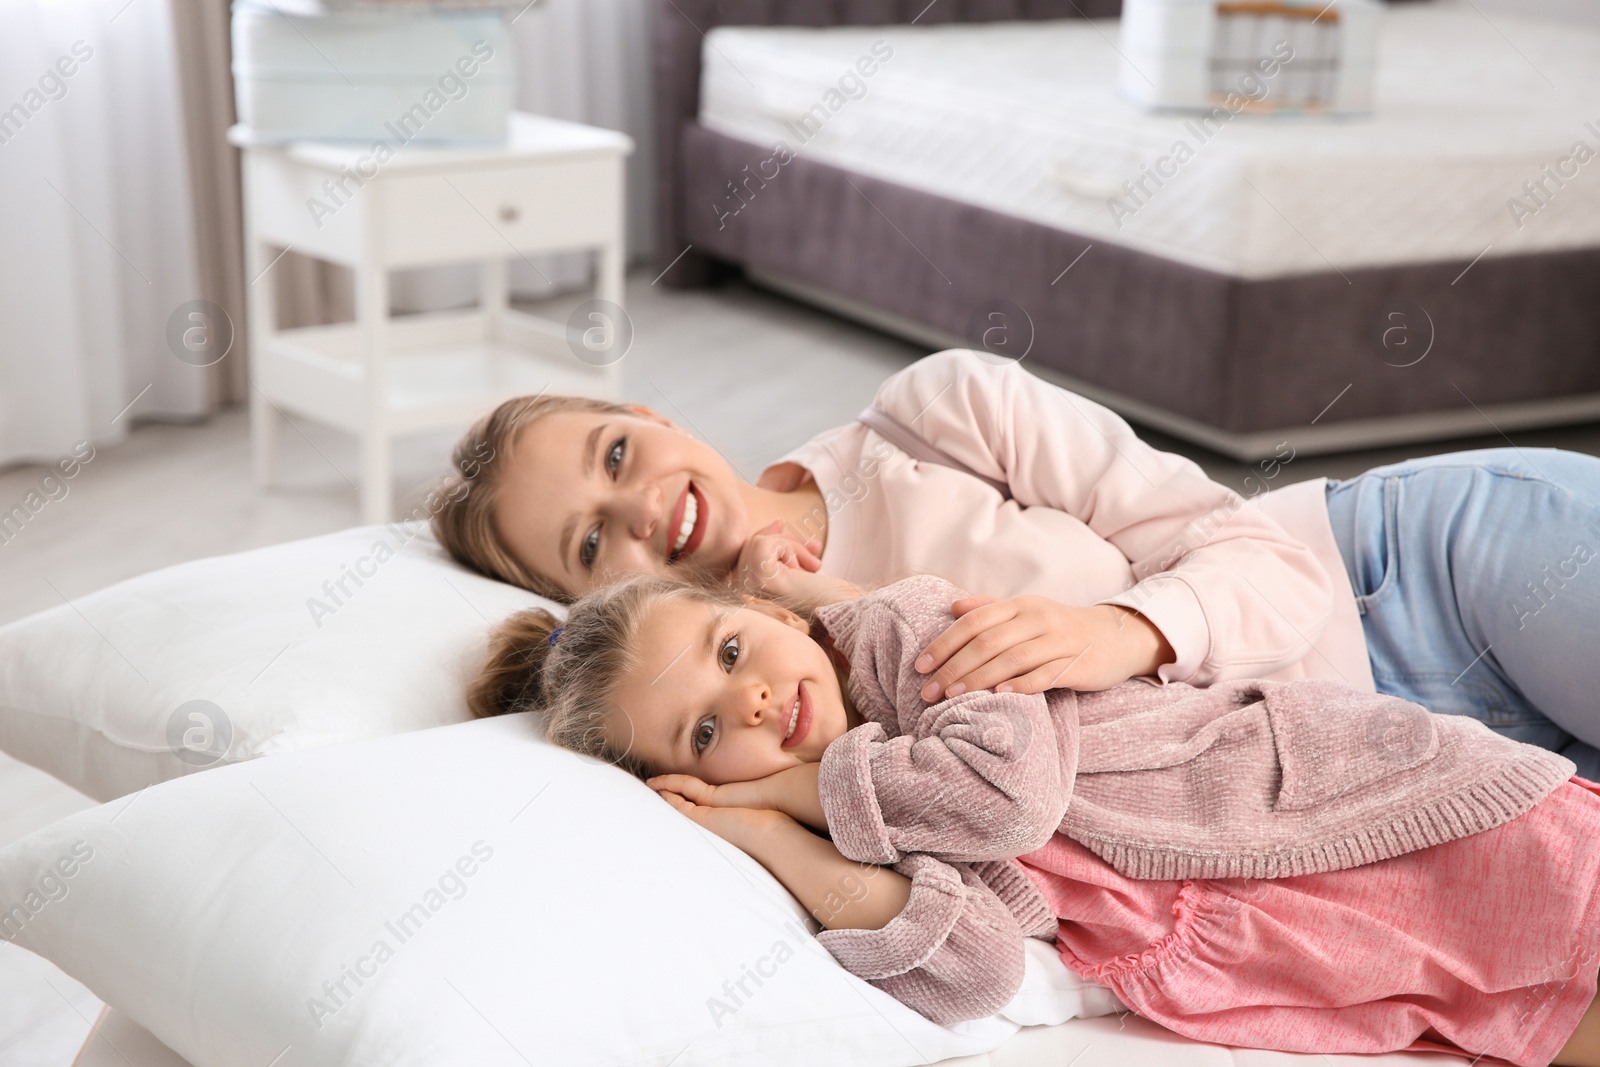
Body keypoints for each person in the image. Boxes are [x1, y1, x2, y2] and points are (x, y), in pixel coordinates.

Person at [466, 569, 1600, 1066]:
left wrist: (784, 787)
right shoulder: (862, 811)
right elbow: (972, 968)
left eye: (730, 651)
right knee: (1548, 1021)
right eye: (710, 732)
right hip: (1304, 940)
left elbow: (1006, 796)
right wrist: (768, 839)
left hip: (1357, 806)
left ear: (765, 609)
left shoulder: (919, 637)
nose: (753, 699)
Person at [434, 349, 1600, 774]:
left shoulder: (934, 415)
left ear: (653, 413)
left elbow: (1254, 551)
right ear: (587, 601)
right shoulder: (756, 700)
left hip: (1412, 572)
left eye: (617, 451)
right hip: (1403, 763)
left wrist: (1124, 630)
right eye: (589, 541)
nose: (638, 506)